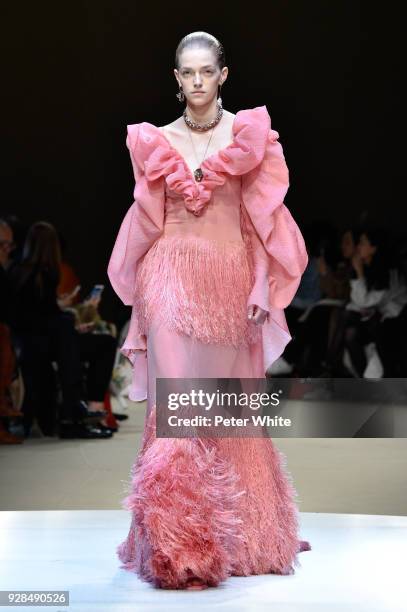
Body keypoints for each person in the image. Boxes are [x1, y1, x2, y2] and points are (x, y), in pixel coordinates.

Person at [108, 32, 310, 590]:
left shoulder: (249, 136)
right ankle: (179, 547)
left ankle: (241, 534)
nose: (196, 81)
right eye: (186, 72)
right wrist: (140, 304)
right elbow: (147, 220)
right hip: (169, 275)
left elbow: (260, 221)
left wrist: (263, 286)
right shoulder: (154, 141)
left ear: (224, 74)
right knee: (177, 407)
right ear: (177, 79)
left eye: (206, 71)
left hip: (230, 278)